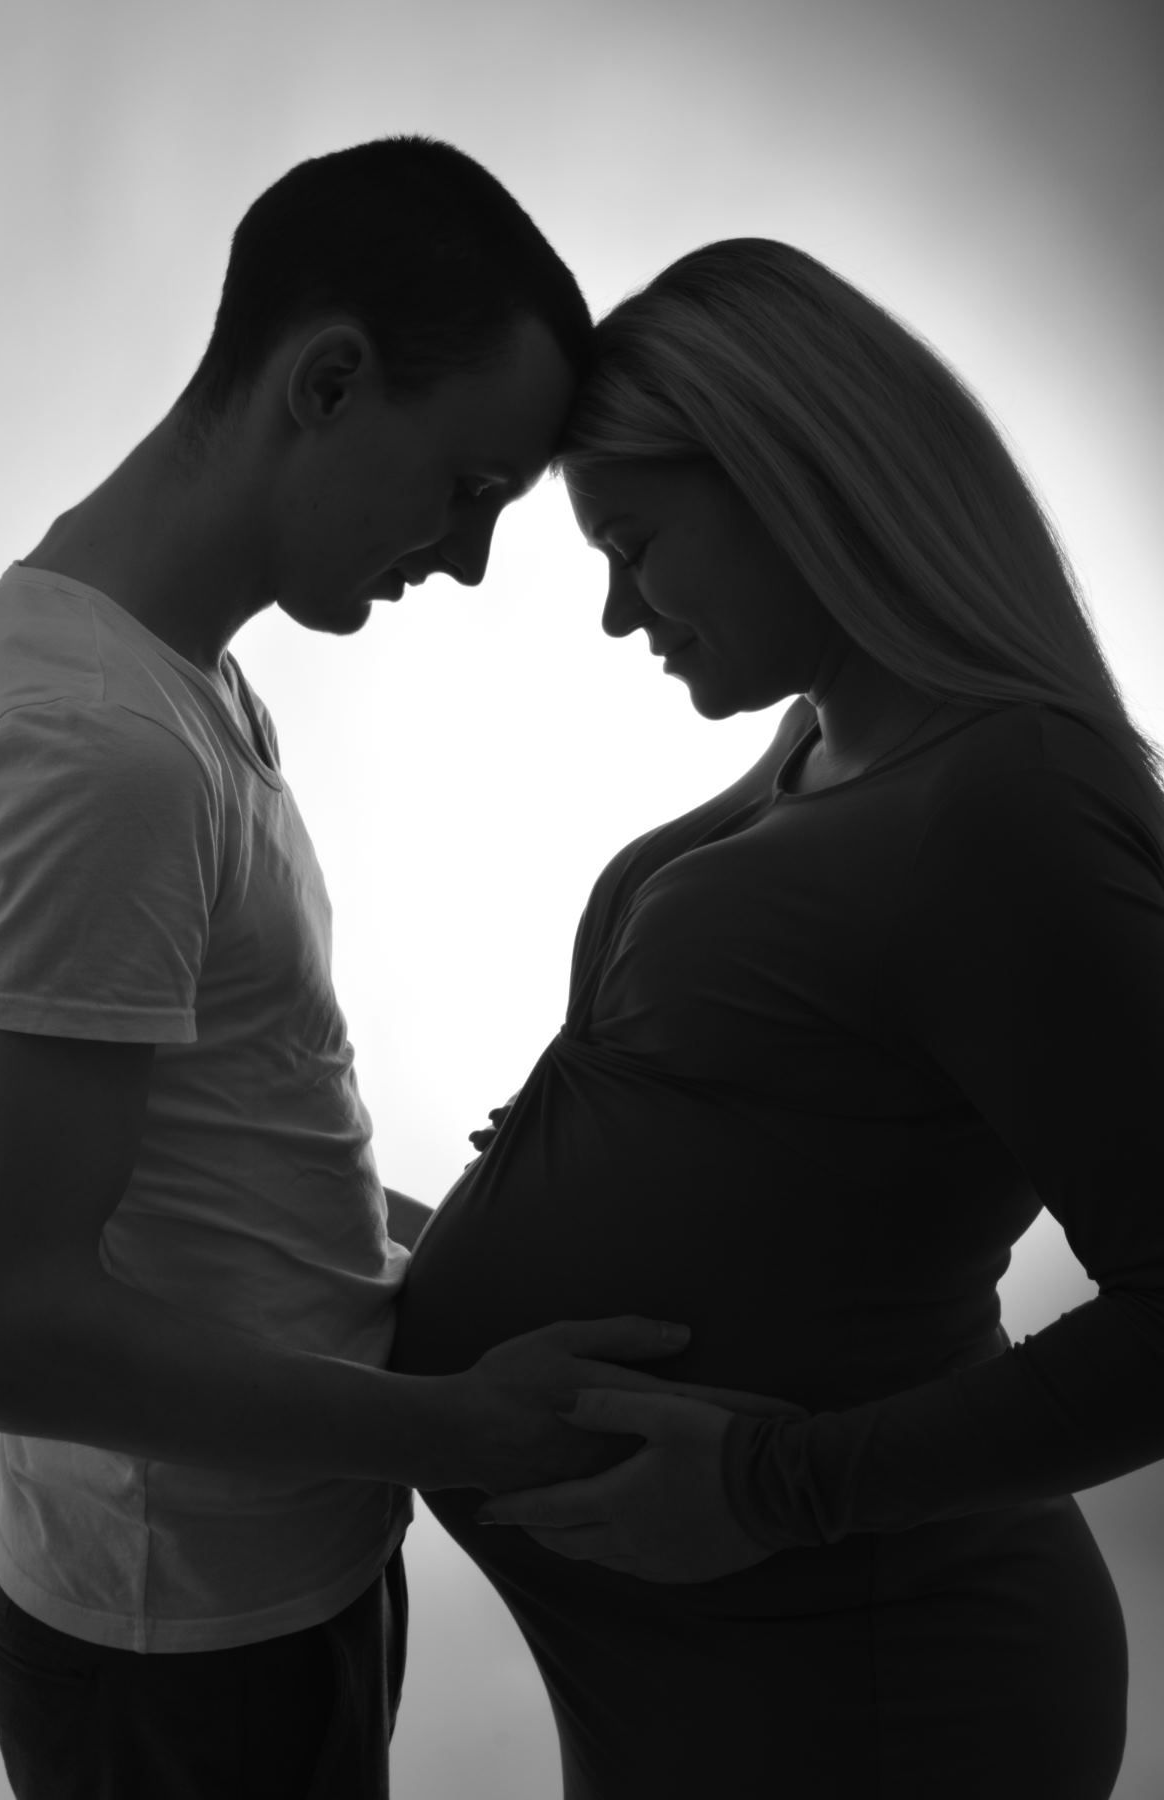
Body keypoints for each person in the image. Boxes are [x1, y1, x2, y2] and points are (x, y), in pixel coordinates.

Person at [0, 136, 696, 1800]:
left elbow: (214, 1146)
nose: (469, 559)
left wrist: (464, 1249)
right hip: (181, 1649)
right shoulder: (101, 750)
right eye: (471, 486)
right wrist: (458, 1428)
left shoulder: (171, 692)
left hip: (270, 1580)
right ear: (330, 382)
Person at [389, 238, 1164, 1799]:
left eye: (636, 545)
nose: (619, 613)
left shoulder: (1011, 797)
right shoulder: (836, 732)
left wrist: (771, 1485)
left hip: (879, 1692)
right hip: (713, 1682)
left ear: (789, 478)